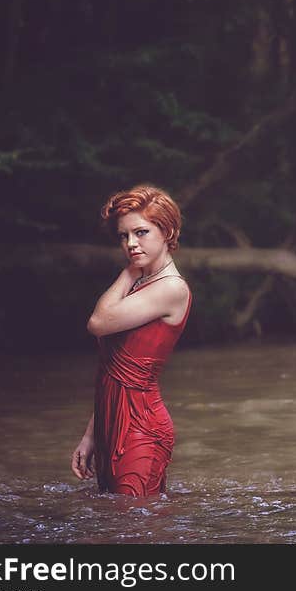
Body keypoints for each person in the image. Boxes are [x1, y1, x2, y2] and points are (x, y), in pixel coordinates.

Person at [71, 184, 192, 496]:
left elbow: (97, 323)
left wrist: (128, 271)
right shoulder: (142, 286)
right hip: (110, 426)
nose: (131, 243)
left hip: (142, 428)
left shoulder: (171, 288)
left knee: (134, 529)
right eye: (123, 236)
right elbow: (113, 370)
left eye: (141, 233)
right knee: (117, 529)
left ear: (167, 232)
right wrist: (91, 435)